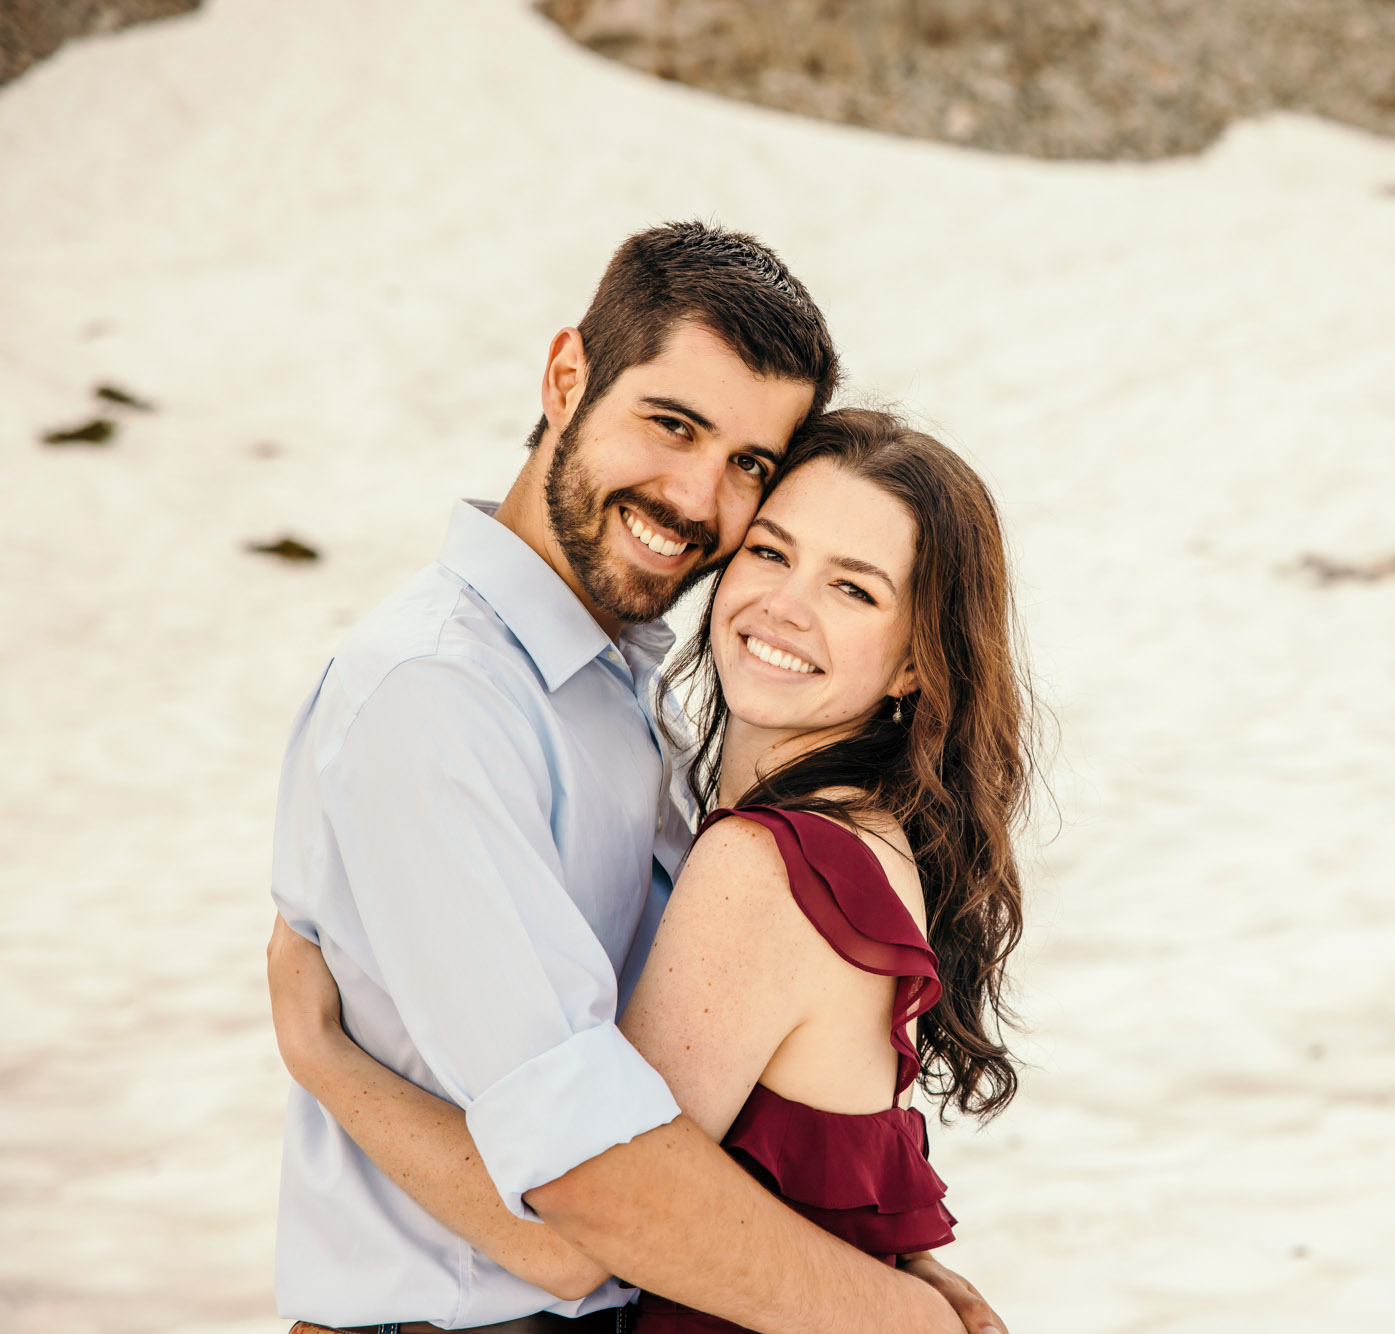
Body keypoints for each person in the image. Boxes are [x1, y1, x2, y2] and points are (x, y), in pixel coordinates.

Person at [267, 222, 1005, 1333]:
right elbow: (583, 1197)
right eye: (671, 424)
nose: (698, 499)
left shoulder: (613, 678)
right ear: (566, 377)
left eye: (747, 465)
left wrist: (326, 1056)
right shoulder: (440, 696)